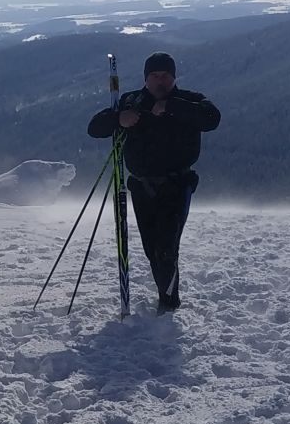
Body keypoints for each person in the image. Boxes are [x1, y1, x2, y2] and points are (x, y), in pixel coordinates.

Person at [86, 52, 222, 312]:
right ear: (146, 79)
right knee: (152, 248)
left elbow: (212, 118)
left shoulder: (190, 100)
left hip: (177, 185)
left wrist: (172, 107)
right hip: (141, 187)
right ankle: (165, 297)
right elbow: (94, 128)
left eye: (166, 76)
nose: (161, 81)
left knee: (166, 249)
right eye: (155, 76)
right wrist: (118, 118)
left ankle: (168, 304)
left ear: (174, 77)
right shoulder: (131, 102)